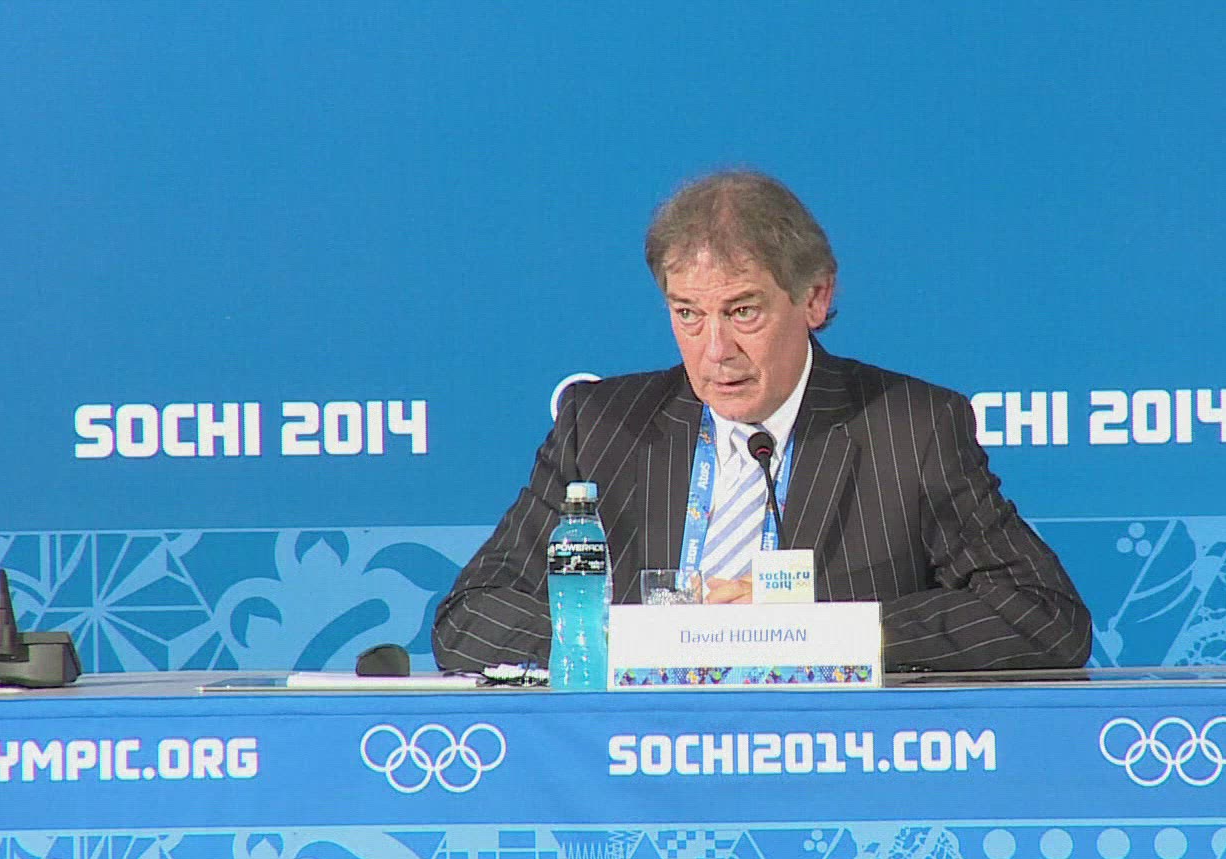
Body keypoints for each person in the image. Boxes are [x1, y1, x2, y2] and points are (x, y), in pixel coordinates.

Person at [432, 170, 1091, 671]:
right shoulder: (602, 427)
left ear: (815, 297)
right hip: (638, 762)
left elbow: (1044, 617)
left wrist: (813, 631)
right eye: (688, 315)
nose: (715, 350)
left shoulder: (909, 428)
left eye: (742, 311)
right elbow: (471, 616)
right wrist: (641, 640)